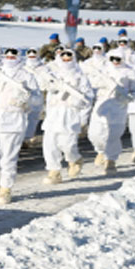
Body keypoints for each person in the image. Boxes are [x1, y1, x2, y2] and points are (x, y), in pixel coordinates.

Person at [0, 49, 41, 204]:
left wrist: (27, 98)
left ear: (19, 58)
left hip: (14, 119)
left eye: (14, 56)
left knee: (8, 158)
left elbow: (38, 101)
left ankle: (5, 188)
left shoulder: (27, 76)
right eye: (7, 56)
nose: (10, 59)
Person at [37, 49, 94, 184]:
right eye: (63, 58)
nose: (66, 60)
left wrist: (78, 105)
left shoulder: (81, 77)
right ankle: (54, 172)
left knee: (67, 145)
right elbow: (42, 85)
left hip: (70, 115)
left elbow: (89, 98)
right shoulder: (53, 74)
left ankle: (74, 160)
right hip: (53, 114)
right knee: (49, 145)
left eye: (69, 58)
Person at [86, 53, 135, 175]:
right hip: (102, 104)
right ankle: (101, 151)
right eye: (112, 58)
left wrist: (127, 97)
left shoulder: (130, 73)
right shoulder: (102, 70)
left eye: (118, 59)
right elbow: (91, 83)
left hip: (118, 107)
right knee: (94, 134)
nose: (115, 61)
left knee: (113, 135)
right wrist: (104, 82)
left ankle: (111, 160)